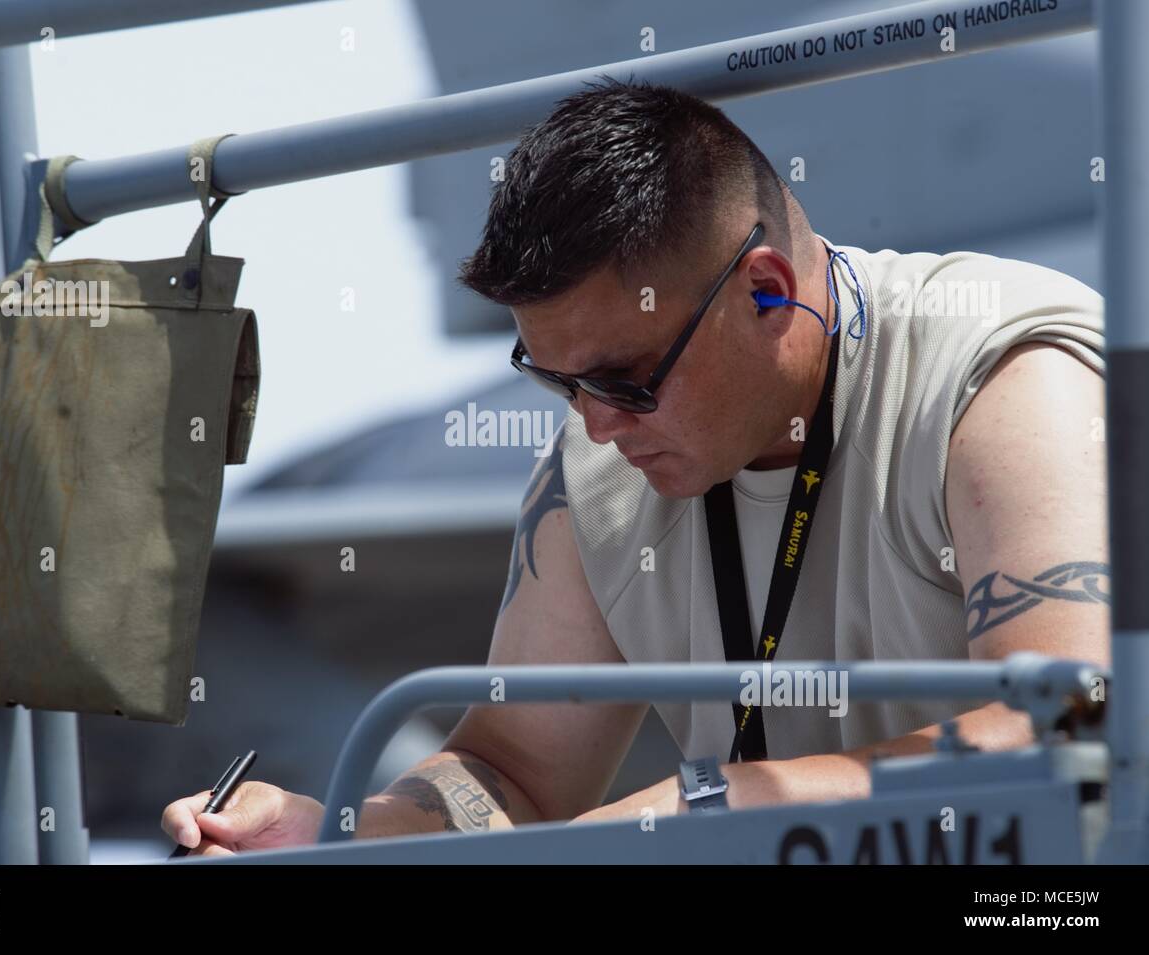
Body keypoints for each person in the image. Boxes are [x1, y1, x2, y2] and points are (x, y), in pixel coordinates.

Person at [162, 78, 1109, 856]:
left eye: (624, 379)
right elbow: (512, 775)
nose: (599, 425)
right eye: (559, 382)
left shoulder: (1008, 377)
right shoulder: (595, 462)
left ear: (768, 291)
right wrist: (337, 833)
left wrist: (717, 806)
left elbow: (1075, 729)